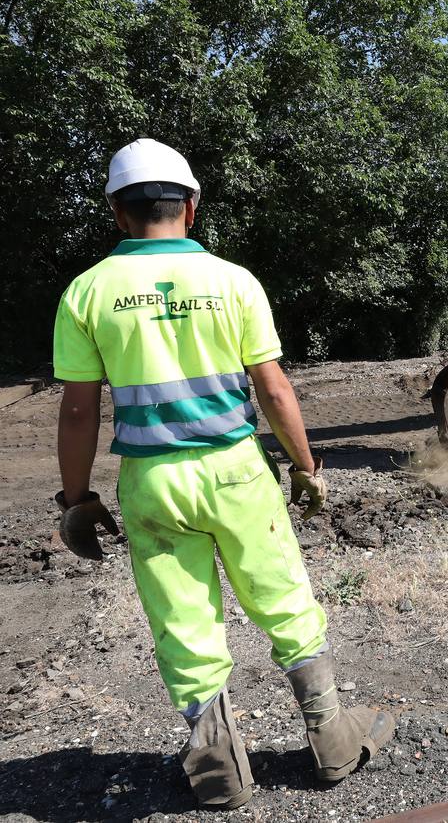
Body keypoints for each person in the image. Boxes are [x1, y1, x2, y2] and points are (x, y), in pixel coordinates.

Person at [52, 139, 394, 809]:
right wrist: (305, 467)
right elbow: (274, 388)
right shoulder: (234, 281)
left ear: (118, 215)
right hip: (236, 469)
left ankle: (217, 768)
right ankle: (331, 740)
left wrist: (75, 498)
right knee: (282, 595)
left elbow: (76, 412)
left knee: (182, 620)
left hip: (151, 479)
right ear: (192, 206)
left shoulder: (87, 291)